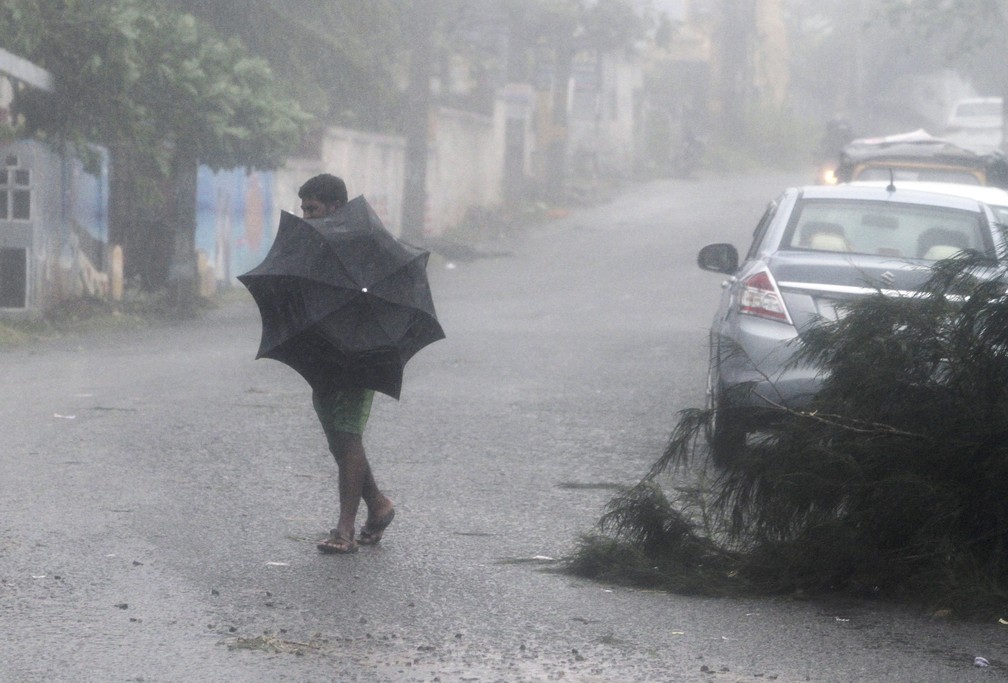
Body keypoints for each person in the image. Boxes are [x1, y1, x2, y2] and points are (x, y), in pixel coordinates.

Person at [298, 173, 396, 554]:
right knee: (339, 439)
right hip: (325, 353)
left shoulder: (361, 242)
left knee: (347, 435)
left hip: (358, 354)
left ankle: (344, 531)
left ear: (335, 207)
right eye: (304, 208)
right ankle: (379, 505)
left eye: (313, 208)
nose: (306, 216)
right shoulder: (315, 242)